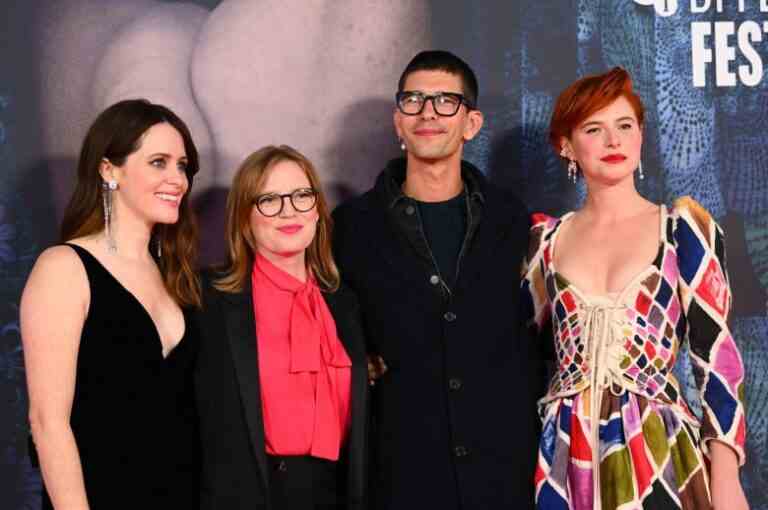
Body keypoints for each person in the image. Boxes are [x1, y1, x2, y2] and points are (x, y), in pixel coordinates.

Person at [523, 67, 748, 510]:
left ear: (641, 136)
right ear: (566, 145)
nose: (613, 141)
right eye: (594, 129)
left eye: (625, 126)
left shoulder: (682, 228)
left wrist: (725, 476)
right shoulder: (544, 241)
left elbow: (717, 357)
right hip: (566, 456)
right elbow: (518, 356)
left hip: (660, 451)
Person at [332, 50, 541, 509]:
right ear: (397, 120)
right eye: (414, 100)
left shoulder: (513, 221)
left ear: (472, 123)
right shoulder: (349, 228)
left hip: (501, 478)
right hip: (401, 477)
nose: (428, 112)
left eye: (446, 101)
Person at [21, 99, 202, 509]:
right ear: (108, 170)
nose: (177, 178)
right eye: (159, 162)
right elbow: (48, 423)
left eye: (183, 165)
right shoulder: (64, 268)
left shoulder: (176, 275)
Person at [193, 145, 368, 510]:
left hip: (335, 495)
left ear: (318, 210)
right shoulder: (208, 301)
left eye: (302, 196)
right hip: (251, 496)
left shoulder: (344, 302)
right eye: (269, 200)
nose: (289, 210)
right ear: (244, 218)